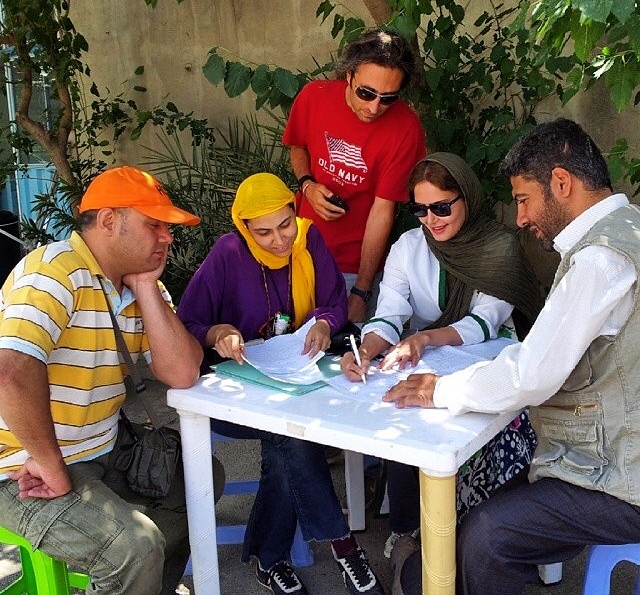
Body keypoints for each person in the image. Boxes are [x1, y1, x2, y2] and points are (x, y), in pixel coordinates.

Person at [383, 118, 640, 595]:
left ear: (561, 183)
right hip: (613, 452)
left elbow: (533, 374)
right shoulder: (630, 228)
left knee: (491, 536)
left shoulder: (599, 259)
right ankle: (421, 575)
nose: (520, 217)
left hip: (624, 479)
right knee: (488, 512)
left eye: (524, 199)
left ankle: (420, 576)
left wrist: (442, 389)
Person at [340, 152, 542, 594]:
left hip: (490, 358)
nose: (431, 219)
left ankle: (480, 531)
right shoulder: (409, 247)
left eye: (442, 207)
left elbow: (485, 321)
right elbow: (390, 312)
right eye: (420, 209)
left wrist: (425, 339)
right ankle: (409, 528)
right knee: (399, 408)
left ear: (466, 198)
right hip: (430, 358)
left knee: (480, 422)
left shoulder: (498, 247)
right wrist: (370, 346)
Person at [177, 172, 384, 595]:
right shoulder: (228, 253)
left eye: (285, 224)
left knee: (286, 438)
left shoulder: (310, 240)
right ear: (244, 227)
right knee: (290, 437)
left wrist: (325, 325)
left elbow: (332, 303)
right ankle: (344, 546)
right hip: (239, 391)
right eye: (264, 231)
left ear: (295, 210)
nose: (279, 240)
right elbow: (187, 321)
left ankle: (269, 559)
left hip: (296, 378)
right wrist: (220, 334)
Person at [0, 166, 204, 595]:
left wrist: (147, 286)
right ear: (110, 221)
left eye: (168, 227)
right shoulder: (54, 270)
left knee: (202, 483)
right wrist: (52, 463)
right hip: (21, 466)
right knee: (136, 548)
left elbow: (182, 373)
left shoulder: (141, 287)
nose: (166, 237)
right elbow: (11, 369)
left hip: (102, 448)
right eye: (155, 225)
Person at [283, 27, 427, 323]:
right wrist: (307, 185)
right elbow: (298, 146)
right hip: (295, 254)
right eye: (366, 93)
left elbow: (383, 210)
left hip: (352, 267)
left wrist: (361, 292)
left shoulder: (407, 128)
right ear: (348, 75)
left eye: (388, 98)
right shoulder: (314, 96)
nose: (374, 107)